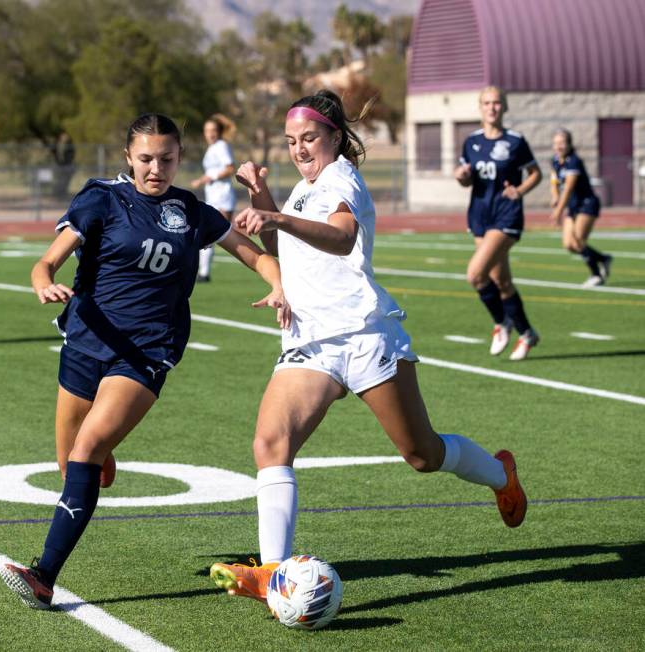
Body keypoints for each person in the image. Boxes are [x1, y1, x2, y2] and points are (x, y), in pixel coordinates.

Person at [209, 90, 527, 606]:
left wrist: (277, 217)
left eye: (309, 138)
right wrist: (261, 196)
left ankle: (500, 473)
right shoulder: (303, 190)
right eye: (291, 141)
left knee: (422, 454)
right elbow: (280, 249)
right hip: (311, 342)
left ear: (335, 136)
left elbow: (339, 237)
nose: (299, 150)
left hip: (362, 335)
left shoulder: (342, 179)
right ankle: (272, 573)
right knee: (271, 444)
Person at [0, 113, 289, 609]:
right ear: (128, 158)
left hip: (149, 349)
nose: (157, 168)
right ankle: (100, 459)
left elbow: (255, 255)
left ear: (181, 157)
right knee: (71, 464)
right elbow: (45, 262)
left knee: (86, 450)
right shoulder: (100, 199)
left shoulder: (191, 211)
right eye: (147, 158)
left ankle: (44, 575)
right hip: (86, 340)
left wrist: (278, 282)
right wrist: (43, 282)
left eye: (168, 158)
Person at [454, 86, 542, 361]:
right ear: (480, 108)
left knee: (475, 274)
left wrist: (520, 190)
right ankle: (527, 333)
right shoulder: (472, 141)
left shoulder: (515, 141)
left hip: (506, 215)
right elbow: (466, 179)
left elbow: (535, 173)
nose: (492, 107)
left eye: (496, 103)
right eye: (487, 103)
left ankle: (501, 321)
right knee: (501, 280)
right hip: (480, 215)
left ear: (504, 107)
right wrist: (462, 176)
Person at [549, 128, 612, 286]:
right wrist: (555, 196)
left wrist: (558, 211)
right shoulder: (555, 160)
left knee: (577, 241)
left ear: (569, 144)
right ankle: (603, 259)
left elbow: (569, 187)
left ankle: (596, 275)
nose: (559, 146)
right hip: (573, 205)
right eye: (556, 143)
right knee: (568, 245)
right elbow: (554, 181)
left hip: (587, 203)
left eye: (562, 143)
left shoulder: (574, 161)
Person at [190, 114, 236, 282]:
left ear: (219, 132)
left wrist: (209, 178)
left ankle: (204, 273)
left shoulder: (221, 146)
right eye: (207, 130)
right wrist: (203, 179)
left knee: (215, 235)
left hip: (223, 196)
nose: (210, 134)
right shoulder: (212, 148)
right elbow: (211, 172)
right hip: (213, 196)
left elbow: (230, 168)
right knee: (208, 236)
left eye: (213, 130)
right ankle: (203, 273)